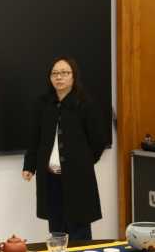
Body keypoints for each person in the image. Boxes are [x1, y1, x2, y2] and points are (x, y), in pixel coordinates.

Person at [22, 56, 107, 240]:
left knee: (79, 229)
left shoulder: (87, 105)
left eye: (64, 73)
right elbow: (34, 138)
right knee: (56, 229)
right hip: (50, 178)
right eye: (54, 73)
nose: (59, 77)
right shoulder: (42, 104)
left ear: (74, 76)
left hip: (78, 179)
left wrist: (84, 162)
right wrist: (29, 166)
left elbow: (99, 140)